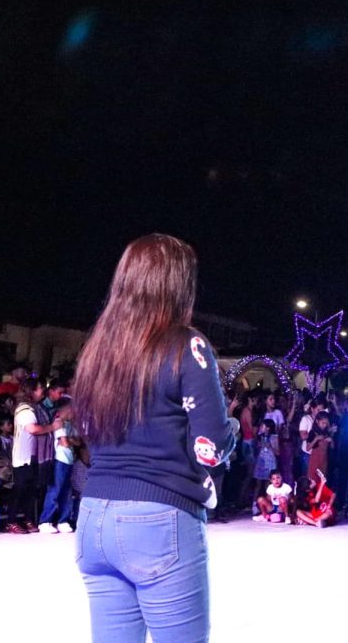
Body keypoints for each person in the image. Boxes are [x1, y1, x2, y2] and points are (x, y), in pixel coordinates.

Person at [75, 234, 238, 643]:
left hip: (94, 515)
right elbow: (211, 448)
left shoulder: (98, 350)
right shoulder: (186, 345)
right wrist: (233, 429)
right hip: (158, 516)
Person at [8, 381, 61, 534]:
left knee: (31, 489)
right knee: (20, 489)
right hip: (23, 456)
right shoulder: (25, 409)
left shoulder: (34, 408)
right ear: (31, 391)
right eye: (39, 388)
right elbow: (32, 429)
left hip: (33, 454)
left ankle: (28, 519)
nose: (42, 390)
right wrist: (52, 427)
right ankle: (11, 521)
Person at [38, 397, 78, 533]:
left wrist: (70, 440)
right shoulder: (58, 422)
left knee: (67, 491)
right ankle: (45, 521)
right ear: (66, 410)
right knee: (55, 490)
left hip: (69, 460)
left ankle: (63, 521)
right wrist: (70, 440)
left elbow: (78, 441)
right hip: (59, 460)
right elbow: (65, 443)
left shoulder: (70, 424)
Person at [252, 418, 278, 505]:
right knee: (258, 484)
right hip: (261, 461)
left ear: (268, 428)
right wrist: (258, 446)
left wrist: (270, 446)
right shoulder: (260, 436)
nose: (260, 427)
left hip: (270, 462)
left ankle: (269, 503)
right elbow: (256, 449)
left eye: (262, 426)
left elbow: (278, 452)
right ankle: (254, 504)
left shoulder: (274, 437)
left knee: (268, 484)